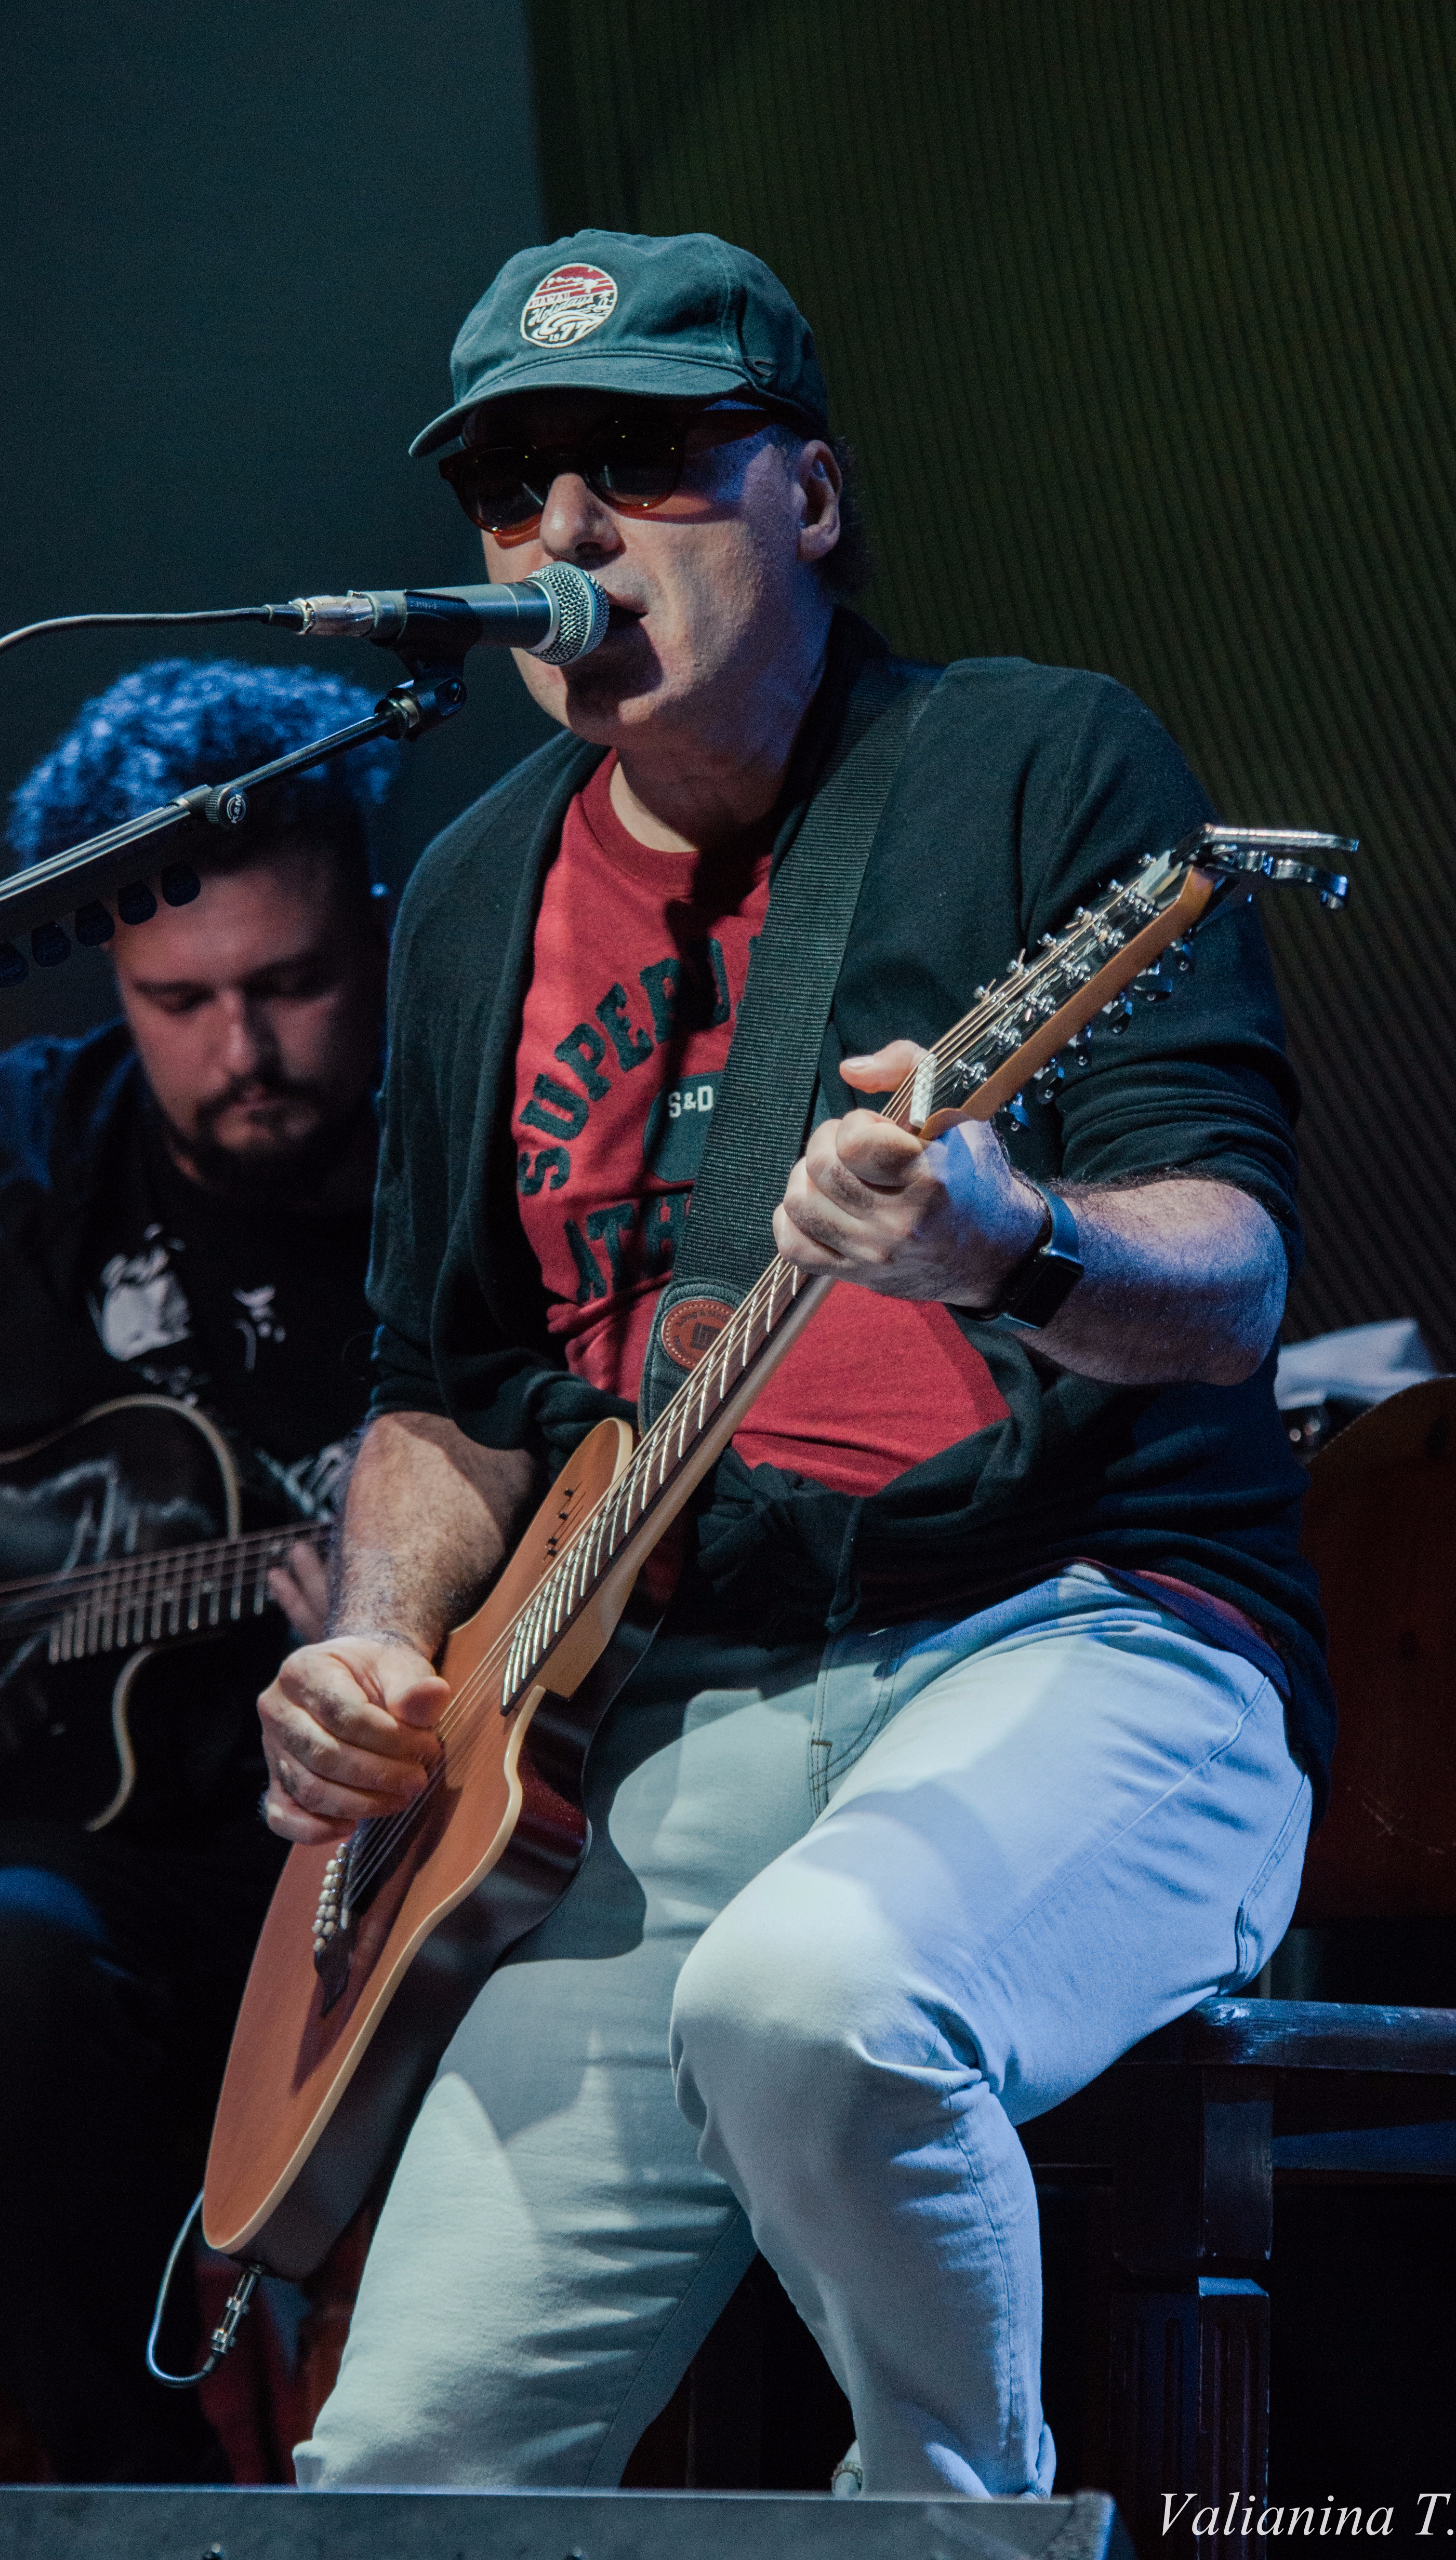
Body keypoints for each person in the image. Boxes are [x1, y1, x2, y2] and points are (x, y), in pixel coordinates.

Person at [260, 230, 1330, 2500]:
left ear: (812, 498)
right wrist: (378, 1644)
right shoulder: (469, 893)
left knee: (809, 2000)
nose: (566, 531)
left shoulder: (1032, 758)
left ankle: (959, 2530)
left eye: (643, 460)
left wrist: (1004, 1240)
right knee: (394, 2476)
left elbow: (1231, 1269)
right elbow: (441, 1382)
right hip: (667, 1720)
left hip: (1087, 1640)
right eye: (512, 484)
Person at [0, 659, 396, 2481]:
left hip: (396, 1860)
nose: (239, 1050)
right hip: (80, 1872)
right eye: (174, 1002)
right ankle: (152, 2508)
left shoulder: (495, 1145)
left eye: (291, 985)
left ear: (377, 920)